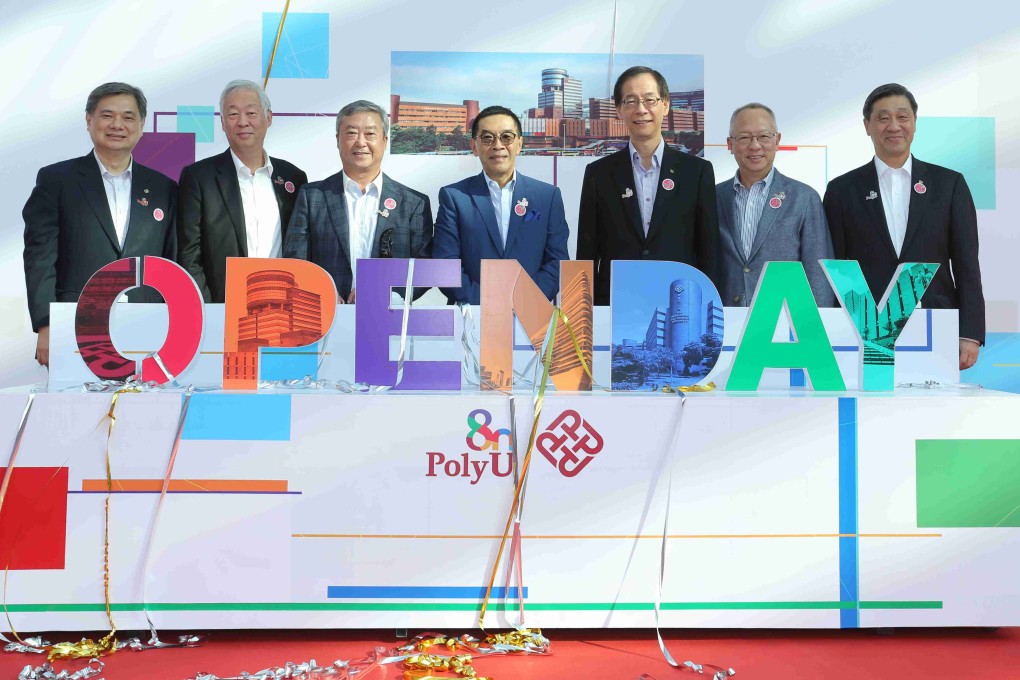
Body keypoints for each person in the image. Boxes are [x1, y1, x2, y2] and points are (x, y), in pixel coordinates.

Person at [823, 83, 984, 369]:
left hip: (935, 326)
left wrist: (970, 333)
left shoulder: (949, 184)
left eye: (902, 117)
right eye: (883, 118)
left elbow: (967, 264)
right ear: (867, 126)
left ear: (914, 123)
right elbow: (835, 269)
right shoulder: (841, 190)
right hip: (864, 330)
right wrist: (831, 331)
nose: (894, 126)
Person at [23, 82, 177, 367]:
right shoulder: (56, 180)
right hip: (74, 325)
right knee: (74, 410)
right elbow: (39, 256)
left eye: (128, 117)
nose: (117, 124)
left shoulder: (163, 188)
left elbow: (173, 262)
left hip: (148, 325)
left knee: (149, 410)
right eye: (107, 115)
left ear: (142, 125)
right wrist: (46, 325)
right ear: (88, 120)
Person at [576, 66, 718, 305]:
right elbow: (586, 254)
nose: (641, 109)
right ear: (619, 109)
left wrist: (706, 306)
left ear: (665, 104)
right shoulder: (598, 174)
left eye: (649, 99)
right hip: (615, 305)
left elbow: (709, 252)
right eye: (630, 101)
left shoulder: (697, 172)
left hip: (679, 303)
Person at [283, 100, 432, 302]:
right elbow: (295, 261)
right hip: (325, 319)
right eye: (351, 133)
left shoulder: (414, 203)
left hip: (388, 320)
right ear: (338, 140)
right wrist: (318, 293)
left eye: (370, 134)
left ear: (385, 140)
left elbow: (424, 270)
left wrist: (384, 295)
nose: (361, 142)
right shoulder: (312, 196)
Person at [177, 79, 307, 303]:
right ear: (222, 123)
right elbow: (189, 253)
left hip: (283, 305)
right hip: (222, 307)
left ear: (268, 118)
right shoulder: (199, 178)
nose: (243, 122)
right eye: (233, 114)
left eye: (251, 113)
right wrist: (210, 309)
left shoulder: (293, 178)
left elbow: (303, 248)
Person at [432, 105, 569, 304]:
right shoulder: (454, 197)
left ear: (519, 144)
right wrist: (489, 305)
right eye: (487, 138)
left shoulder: (547, 197)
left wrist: (522, 302)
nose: (497, 145)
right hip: (473, 316)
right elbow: (445, 265)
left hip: (532, 316)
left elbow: (558, 263)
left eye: (507, 137)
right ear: (474, 146)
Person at [717, 103, 834, 306]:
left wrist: (814, 328)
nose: (755, 146)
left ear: (777, 140)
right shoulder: (713, 197)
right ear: (730, 144)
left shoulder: (804, 198)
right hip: (725, 319)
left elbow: (819, 275)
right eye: (744, 138)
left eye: (763, 136)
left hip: (783, 321)